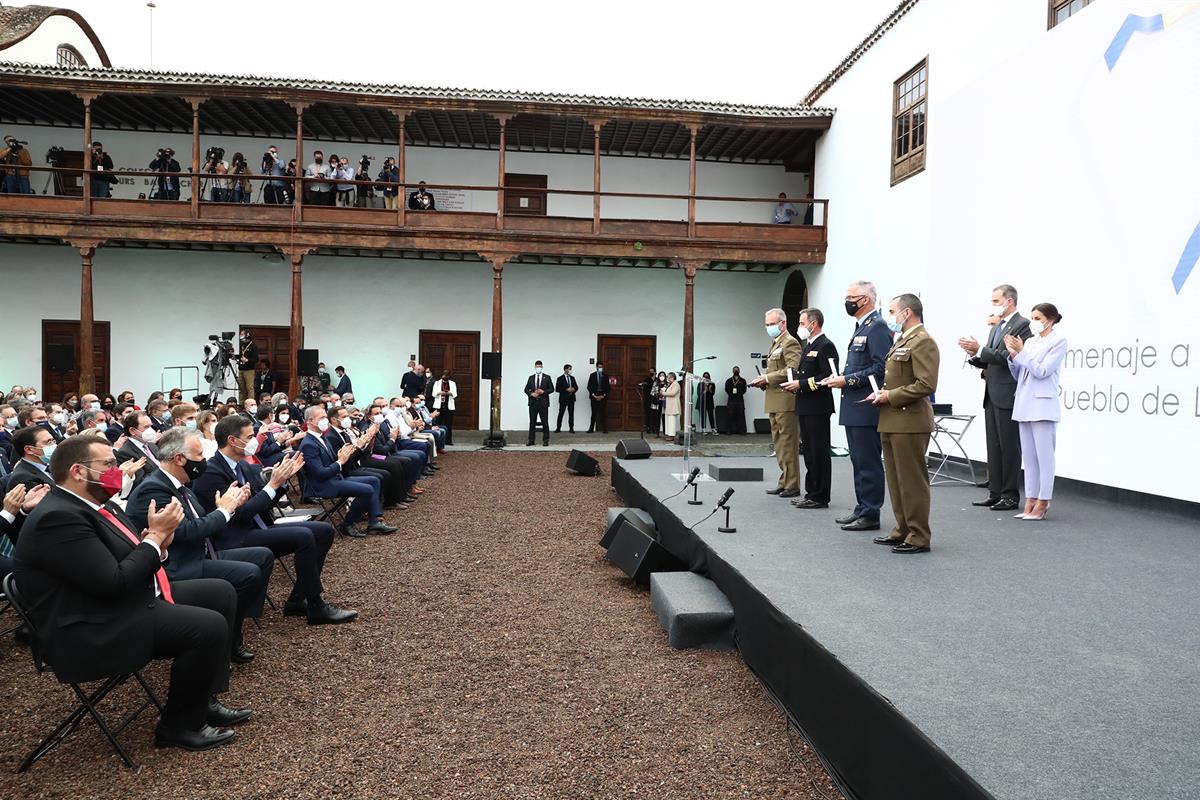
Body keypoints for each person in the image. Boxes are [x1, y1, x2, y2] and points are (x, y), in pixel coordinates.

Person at [14, 435, 249, 751]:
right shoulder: (58, 518)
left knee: (219, 592)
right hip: (90, 624)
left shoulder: (97, 504)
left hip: (120, 599)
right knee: (207, 627)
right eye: (108, 464)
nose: (117, 470)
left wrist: (158, 546)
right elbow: (113, 582)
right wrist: (155, 539)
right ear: (78, 472)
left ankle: (201, 698)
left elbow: (130, 557)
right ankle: (178, 726)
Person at [125, 428, 273, 663]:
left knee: (262, 556)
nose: (204, 460)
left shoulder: (178, 483)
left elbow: (199, 521)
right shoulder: (154, 489)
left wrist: (226, 506)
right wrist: (224, 511)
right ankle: (227, 636)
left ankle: (233, 627)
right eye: (199, 455)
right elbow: (184, 533)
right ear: (179, 459)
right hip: (178, 565)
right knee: (248, 574)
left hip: (200, 553)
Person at [197, 415, 360, 623]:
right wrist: (272, 485)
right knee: (303, 536)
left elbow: (264, 502)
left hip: (257, 527)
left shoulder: (243, 466)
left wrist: (281, 481)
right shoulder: (212, 472)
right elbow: (241, 514)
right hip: (234, 537)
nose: (254, 440)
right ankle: (315, 605)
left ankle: (298, 598)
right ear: (232, 440)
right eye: (249, 436)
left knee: (323, 530)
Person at [870, 294, 940, 554]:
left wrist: (891, 396)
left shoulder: (923, 341)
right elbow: (897, 379)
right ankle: (903, 529)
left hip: (910, 421)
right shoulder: (902, 339)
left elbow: (926, 384)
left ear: (907, 312)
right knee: (896, 481)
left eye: (891, 311)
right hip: (891, 419)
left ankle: (919, 535)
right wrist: (882, 394)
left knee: (912, 482)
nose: (889, 317)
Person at [821, 281, 892, 532]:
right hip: (853, 404)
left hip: (866, 406)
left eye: (851, 297)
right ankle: (862, 507)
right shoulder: (862, 327)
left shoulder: (878, 328)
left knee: (868, 461)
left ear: (866, 299)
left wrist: (847, 380)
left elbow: (880, 368)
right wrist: (841, 378)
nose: (847, 302)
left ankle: (871, 512)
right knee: (858, 461)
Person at [958, 284, 1032, 512]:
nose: (993, 305)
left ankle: (1010, 495)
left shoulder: (1022, 325)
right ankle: (995, 492)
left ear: (1009, 301)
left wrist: (981, 350)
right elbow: (991, 358)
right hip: (991, 392)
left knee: (1010, 447)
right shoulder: (997, 326)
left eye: (996, 301)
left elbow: (1011, 356)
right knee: (994, 445)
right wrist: (974, 355)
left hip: (1008, 393)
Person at [1006, 302, 1067, 521]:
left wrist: (1022, 353)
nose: (1034, 322)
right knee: (1029, 459)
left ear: (1050, 319)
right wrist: (1014, 356)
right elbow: (1020, 374)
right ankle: (1030, 499)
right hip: (1023, 404)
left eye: (1038, 318)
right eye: (1032, 317)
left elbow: (1042, 371)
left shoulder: (1058, 341)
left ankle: (1043, 501)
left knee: (1044, 458)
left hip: (1043, 406)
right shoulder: (1030, 342)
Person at [297, 406, 395, 536]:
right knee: (367, 489)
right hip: (323, 485)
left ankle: (374, 522)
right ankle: (347, 524)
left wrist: (342, 456)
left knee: (374, 481)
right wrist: (340, 461)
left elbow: (335, 461)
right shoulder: (308, 444)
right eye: (322, 418)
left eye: (325, 417)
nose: (325, 421)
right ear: (310, 421)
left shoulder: (321, 438)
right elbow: (321, 474)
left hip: (335, 477)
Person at [782, 308, 839, 509]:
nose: (800, 327)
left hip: (818, 406)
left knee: (819, 452)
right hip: (805, 405)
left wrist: (802, 385)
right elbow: (804, 373)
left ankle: (820, 495)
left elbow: (828, 376)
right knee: (809, 452)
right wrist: (794, 384)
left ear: (813, 324)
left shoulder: (826, 346)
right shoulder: (808, 346)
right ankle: (811, 492)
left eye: (802, 323)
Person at [749, 308, 803, 497]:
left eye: (772, 324)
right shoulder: (776, 343)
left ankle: (793, 484)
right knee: (779, 444)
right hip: (774, 399)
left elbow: (792, 370)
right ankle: (785, 480)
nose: (769, 327)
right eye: (767, 325)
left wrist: (767, 377)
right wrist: (764, 382)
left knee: (788, 443)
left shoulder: (790, 342)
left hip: (786, 400)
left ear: (783, 323)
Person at [525, 361, 553, 446]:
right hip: (533, 403)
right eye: (537, 366)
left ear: (542, 367)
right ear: (535, 367)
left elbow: (552, 389)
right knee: (532, 422)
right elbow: (526, 389)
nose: (538, 368)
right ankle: (531, 440)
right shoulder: (531, 378)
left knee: (545, 422)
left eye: (540, 366)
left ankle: (545, 440)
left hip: (543, 403)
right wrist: (531, 394)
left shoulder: (547, 377)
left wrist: (543, 391)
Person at [430, 371, 457, 445]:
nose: (445, 377)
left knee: (448, 424)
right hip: (439, 406)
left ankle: (448, 440)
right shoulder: (437, 383)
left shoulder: (452, 383)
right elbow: (433, 394)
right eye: (444, 375)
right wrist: (439, 393)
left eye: (447, 376)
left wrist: (449, 393)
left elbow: (455, 394)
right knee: (438, 423)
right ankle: (438, 441)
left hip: (449, 406)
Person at [586, 362, 610, 434]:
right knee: (594, 413)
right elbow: (589, 386)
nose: (600, 368)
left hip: (603, 396)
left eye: (601, 367)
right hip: (594, 396)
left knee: (603, 413)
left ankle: (605, 429)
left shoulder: (605, 376)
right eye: (599, 367)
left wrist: (603, 395)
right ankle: (591, 428)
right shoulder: (592, 375)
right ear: (596, 367)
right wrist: (594, 395)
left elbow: (608, 388)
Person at [724, 367, 748, 435]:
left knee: (740, 415)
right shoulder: (729, 380)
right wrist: (732, 395)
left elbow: (744, 390)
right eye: (735, 370)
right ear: (732, 371)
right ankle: (728, 430)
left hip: (740, 400)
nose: (736, 371)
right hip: (731, 400)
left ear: (739, 371)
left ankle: (742, 431)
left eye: (737, 370)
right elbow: (726, 389)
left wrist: (738, 394)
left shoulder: (743, 380)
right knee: (730, 415)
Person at [555, 365, 578, 433]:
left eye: (571, 369)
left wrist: (574, 389)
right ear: (565, 369)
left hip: (571, 399)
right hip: (563, 399)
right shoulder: (560, 378)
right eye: (569, 369)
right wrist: (566, 390)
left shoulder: (572, 378)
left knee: (571, 414)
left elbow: (576, 387)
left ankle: (571, 428)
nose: (570, 370)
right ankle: (558, 428)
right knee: (561, 413)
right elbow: (557, 389)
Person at [237, 331, 258, 402]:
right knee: (241, 388)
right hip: (241, 369)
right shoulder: (241, 345)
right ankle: (241, 404)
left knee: (250, 388)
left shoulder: (253, 346)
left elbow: (256, 359)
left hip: (249, 370)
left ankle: (251, 403)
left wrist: (247, 360)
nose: (241, 336)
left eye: (242, 334)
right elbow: (239, 355)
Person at [662, 372, 681, 438]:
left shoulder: (676, 384)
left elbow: (673, 393)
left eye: (668, 377)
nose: (667, 379)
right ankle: (668, 434)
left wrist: (664, 393)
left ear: (672, 377)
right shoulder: (671, 384)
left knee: (671, 420)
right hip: (670, 405)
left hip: (673, 405)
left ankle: (672, 435)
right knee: (668, 420)